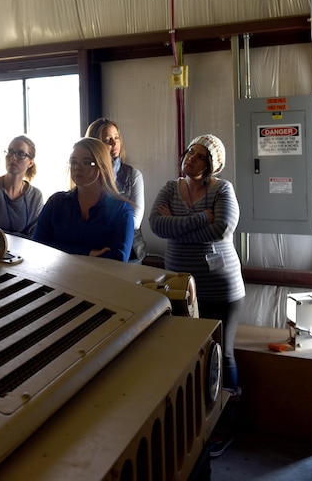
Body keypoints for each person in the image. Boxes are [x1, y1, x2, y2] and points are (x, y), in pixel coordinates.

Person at [148, 134, 245, 457]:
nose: (191, 157)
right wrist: (200, 218)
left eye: (200, 155)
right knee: (187, 355)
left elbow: (222, 229)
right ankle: (195, 422)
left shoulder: (223, 190)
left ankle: (224, 426)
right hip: (180, 287)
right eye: (190, 151)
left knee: (224, 353)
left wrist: (178, 224)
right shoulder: (169, 187)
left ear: (212, 163)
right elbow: (156, 226)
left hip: (221, 286)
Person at [33, 137, 134, 262]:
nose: (77, 168)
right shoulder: (56, 202)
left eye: (86, 162)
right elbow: (38, 245)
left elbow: (118, 258)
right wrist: (88, 253)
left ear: (102, 166)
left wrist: (62, 250)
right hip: (57, 275)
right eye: (73, 162)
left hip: (100, 278)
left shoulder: (120, 209)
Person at [84, 118, 147, 263]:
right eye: (108, 140)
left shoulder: (133, 175)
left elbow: (135, 221)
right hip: (93, 249)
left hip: (130, 250)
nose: (115, 143)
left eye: (116, 137)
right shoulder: (87, 174)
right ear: (95, 145)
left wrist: (101, 226)